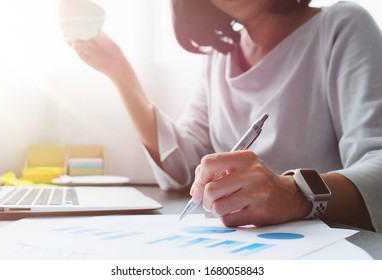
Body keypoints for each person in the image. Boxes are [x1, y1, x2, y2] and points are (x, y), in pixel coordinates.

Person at [69, 0, 382, 232]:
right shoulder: (220, 57)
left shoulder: (342, 25)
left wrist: (295, 194)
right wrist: (120, 72)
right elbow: (183, 165)